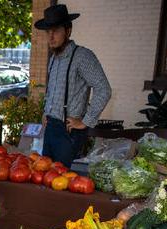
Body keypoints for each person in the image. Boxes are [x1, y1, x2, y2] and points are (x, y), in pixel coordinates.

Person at [35, 4, 111, 167]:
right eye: (48, 32)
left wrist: (85, 121)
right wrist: (46, 111)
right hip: (50, 128)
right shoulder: (53, 58)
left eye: (55, 30)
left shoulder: (83, 56)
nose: (51, 36)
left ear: (68, 31)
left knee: (63, 182)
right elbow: (51, 91)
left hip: (69, 131)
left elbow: (104, 89)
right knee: (46, 176)